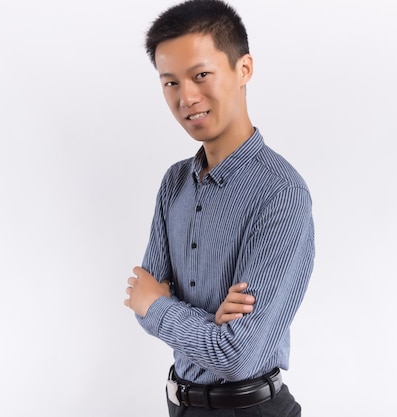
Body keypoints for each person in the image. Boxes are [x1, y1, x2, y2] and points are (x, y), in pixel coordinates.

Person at [124, 1, 315, 415]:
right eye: (170, 82)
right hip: (180, 407)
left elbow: (236, 356)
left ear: (243, 69)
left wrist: (161, 306)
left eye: (201, 75)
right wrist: (208, 322)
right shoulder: (175, 182)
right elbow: (140, 296)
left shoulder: (279, 193)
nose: (186, 97)